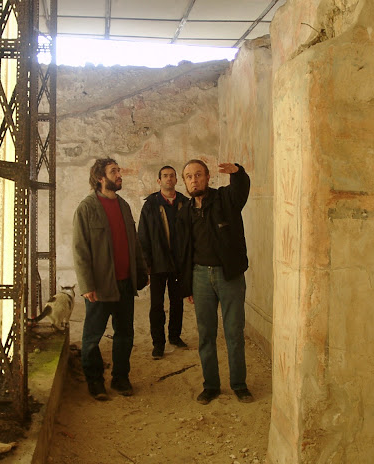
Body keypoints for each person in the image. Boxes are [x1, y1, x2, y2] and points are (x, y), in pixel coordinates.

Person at [176, 159, 253, 405]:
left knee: (234, 332)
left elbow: (241, 190)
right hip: (200, 277)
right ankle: (211, 386)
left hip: (229, 275)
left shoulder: (225, 199)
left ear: (208, 177)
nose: (194, 180)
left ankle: (239, 385)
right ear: (184, 182)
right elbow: (184, 252)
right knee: (206, 334)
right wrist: (187, 286)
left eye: (199, 174)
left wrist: (238, 173)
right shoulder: (185, 213)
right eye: (189, 176)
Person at [72, 157, 148, 400]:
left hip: (125, 283)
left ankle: (120, 378)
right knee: (92, 336)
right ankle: (95, 381)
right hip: (100, 286)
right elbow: (80, 250)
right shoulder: (87, 208)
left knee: (125, 333)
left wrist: (141, 271)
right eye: (113, 171)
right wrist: (87, 285)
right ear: (100, 178)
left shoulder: (124, 206)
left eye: (119, 170)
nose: (119, 174)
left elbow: (133, 243)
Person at [138, 165, 188, 360]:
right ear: (159, 181)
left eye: (172, 176)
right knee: (157, 306)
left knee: (177, 302)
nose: (169, 179)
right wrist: (146, 265)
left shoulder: (184, 203)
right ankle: (158, 344)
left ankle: (175, 337)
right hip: (158, 264)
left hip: (178, 264)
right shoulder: (150, 205)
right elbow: (143, 236)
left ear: (176, 180)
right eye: (165, 176)